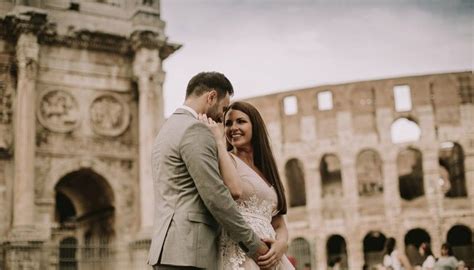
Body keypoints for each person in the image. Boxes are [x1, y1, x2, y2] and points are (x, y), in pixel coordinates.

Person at [147, 72, 269, 269]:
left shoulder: (167, 129)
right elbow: (216, 196)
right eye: (223, 108)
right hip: (189, 251)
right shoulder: (194, 129)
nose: (222, 116)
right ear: (211, 97)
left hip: (169, 250)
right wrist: (255, 246)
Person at [199, 101, 294, 269]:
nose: (233, 127)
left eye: (240, 121)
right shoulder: (226, 159)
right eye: (228, 123)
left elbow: (278, 222)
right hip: (241, 252)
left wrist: (282, 244)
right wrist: (218, 143)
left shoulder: (266, 169)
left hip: (272, 256)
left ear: (255, 126)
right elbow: (234, 189)